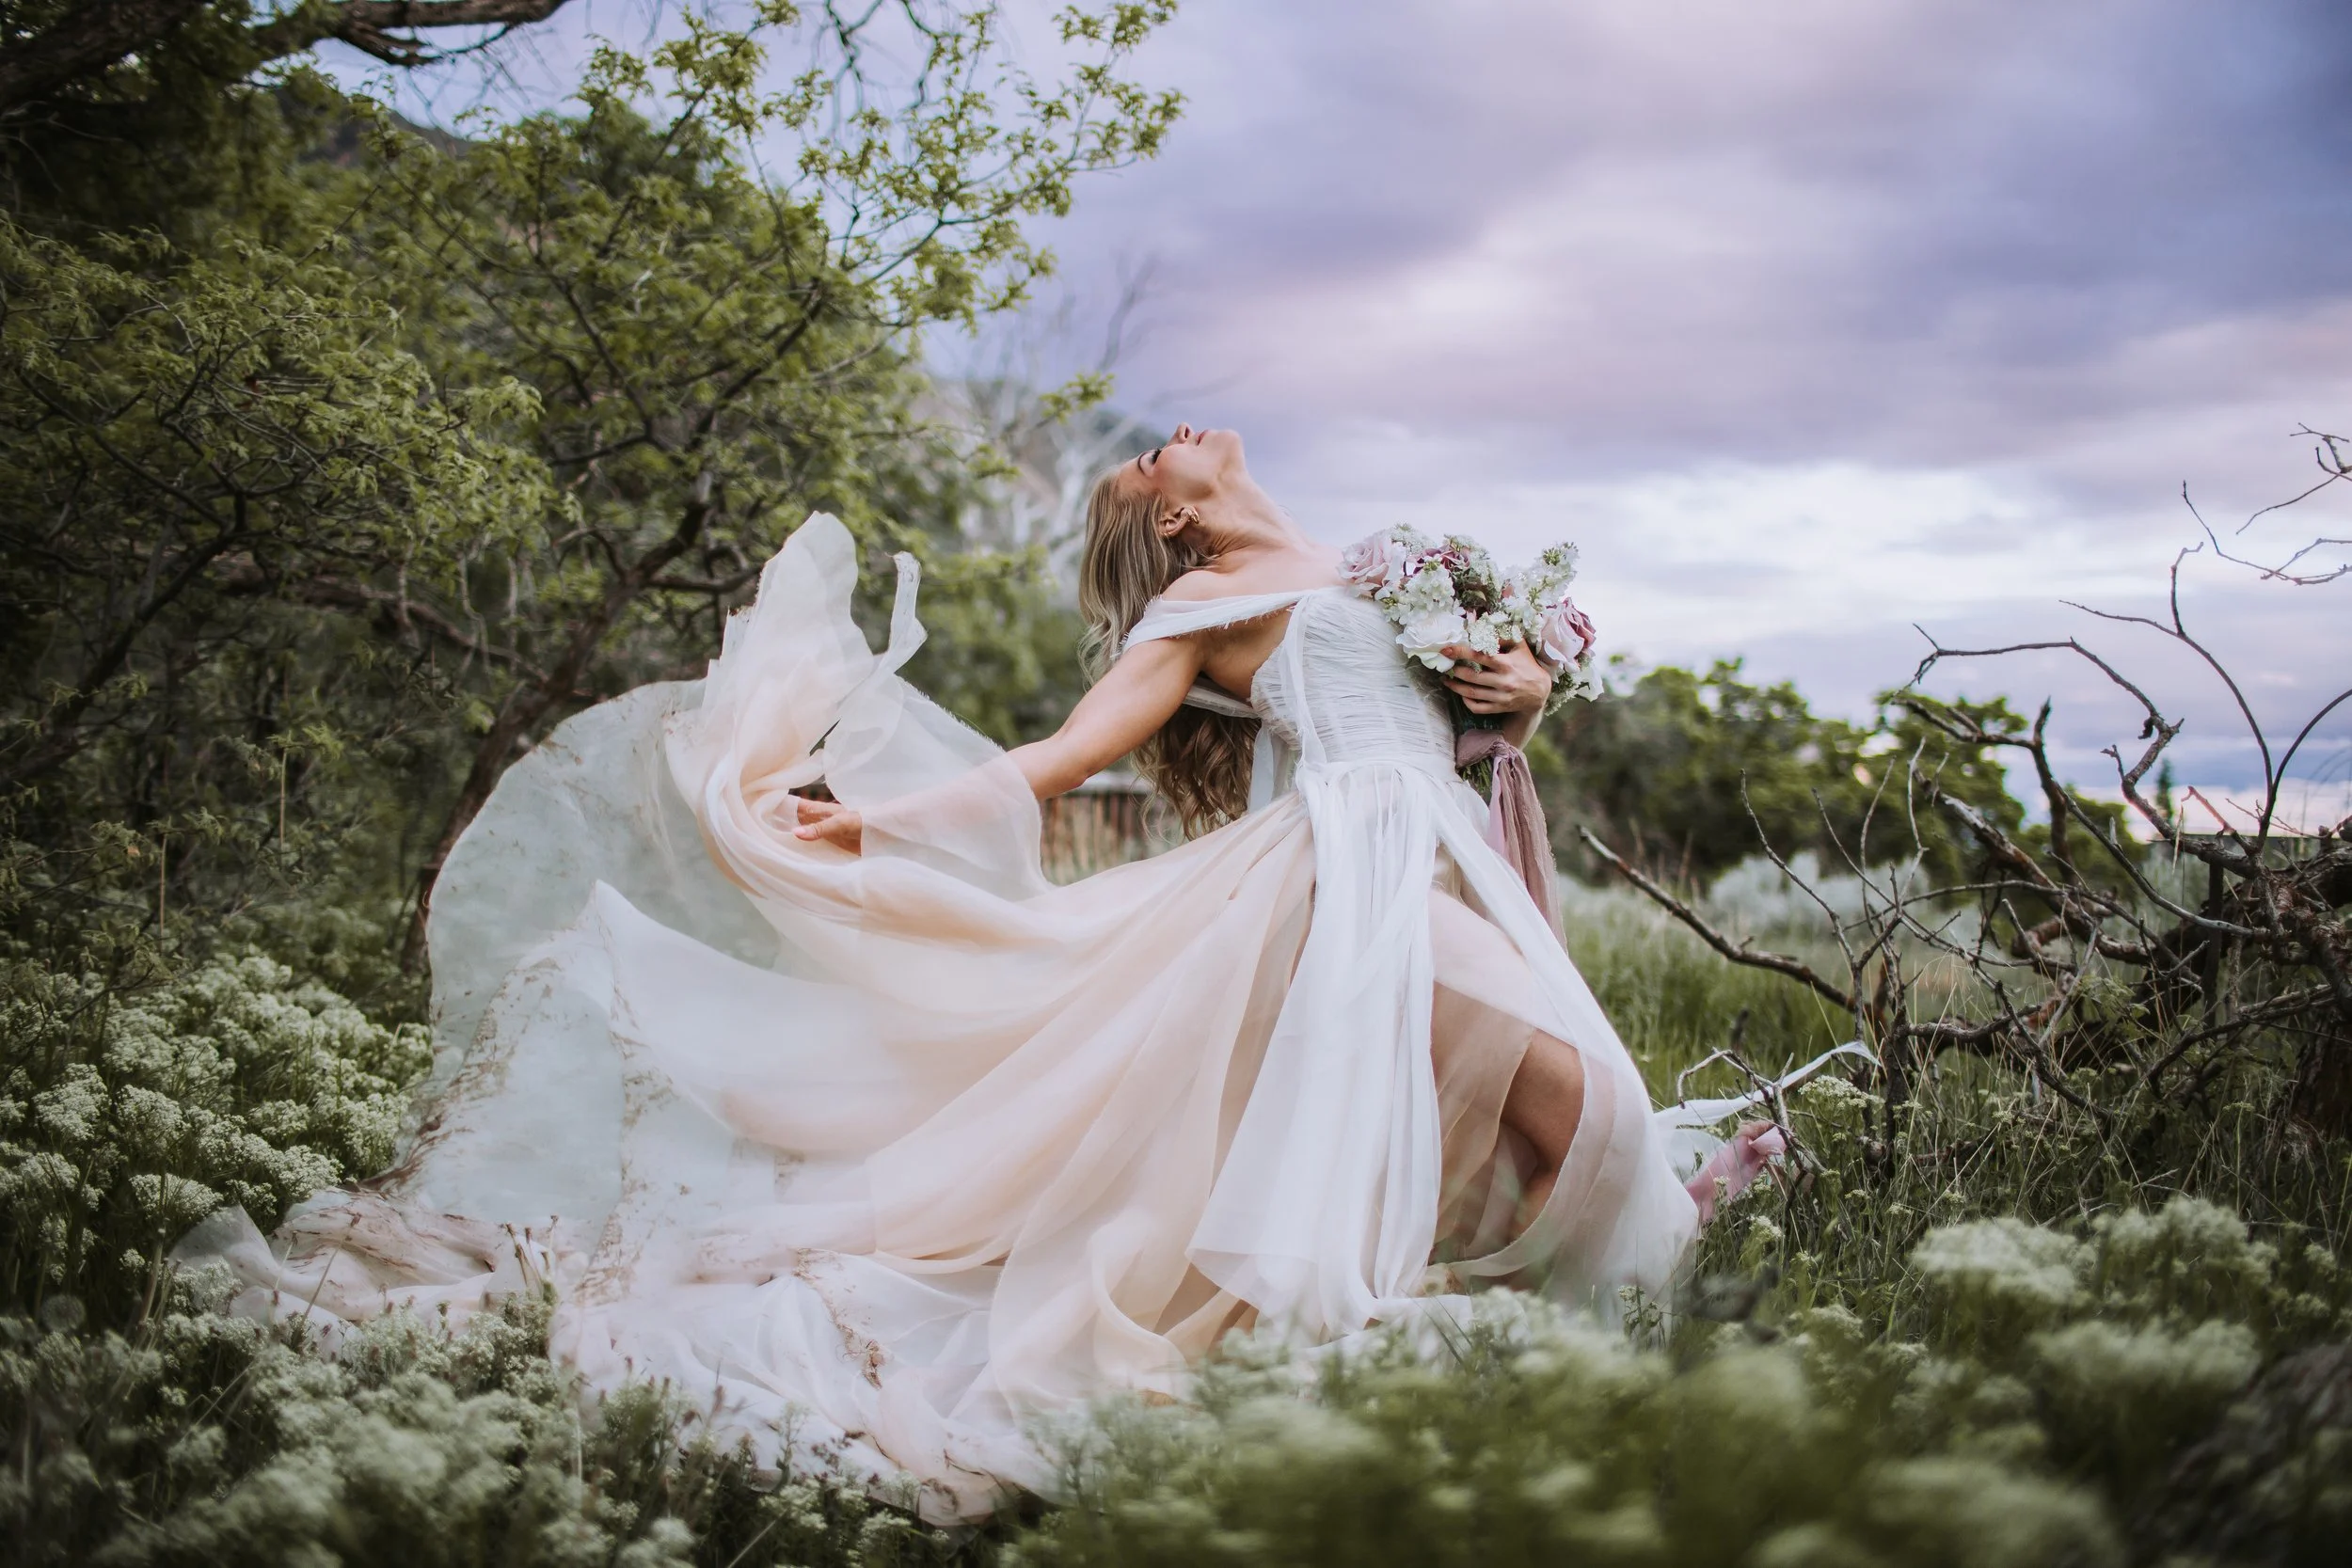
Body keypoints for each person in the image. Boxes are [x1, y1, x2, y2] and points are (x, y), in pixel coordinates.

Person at [177, 425, 1759, 1525]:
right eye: (1150, 460)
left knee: (1560, 1115)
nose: (1173, 437)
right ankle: (1615, 1305)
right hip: (1348, 896)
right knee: (1591, 1115)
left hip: (1441, 861)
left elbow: (1475, 732)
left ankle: (1594, 1317)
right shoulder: (1207, 608)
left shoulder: (1384, 565)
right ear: (1178, 526)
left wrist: (1528, 681)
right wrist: (871, 821)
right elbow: (1061, 757)